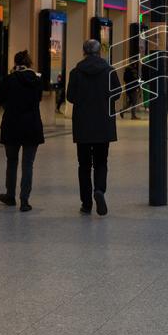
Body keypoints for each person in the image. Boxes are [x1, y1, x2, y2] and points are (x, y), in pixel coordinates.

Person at [66, 39, 118, 216]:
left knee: (84, 165)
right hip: (103, 124)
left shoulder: (76, 72)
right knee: (101, 162)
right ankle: (100, 190)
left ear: (84, 52)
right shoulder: (109, 71)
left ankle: (86, 203)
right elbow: (117, 93)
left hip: (83, 125)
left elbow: (70, 97)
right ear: (99, 52)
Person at [0, 50, 44, 212]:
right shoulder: (36, 80)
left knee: (11, 161)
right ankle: (25, 200)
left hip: (12, 125)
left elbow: (0, 99)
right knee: (28, 164)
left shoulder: (8, 80)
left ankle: (10, 195)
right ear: (29, 63)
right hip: (32, 125)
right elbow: (38, 99)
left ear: (15, 63)